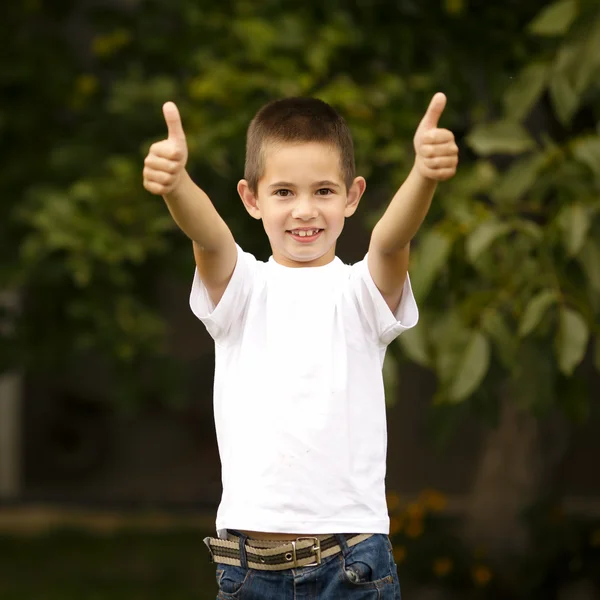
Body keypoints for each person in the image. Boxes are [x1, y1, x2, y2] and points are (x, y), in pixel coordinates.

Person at [143, 94, 458, 599]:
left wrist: (422, 173)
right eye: (284, 191)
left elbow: (390, 243)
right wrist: (177, 184)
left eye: (324, 191)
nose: (305, 210)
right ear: (252, 198)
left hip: (352, 562)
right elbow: (210, 238)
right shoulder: (242, 289)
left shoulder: (362, 294)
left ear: (352, 197)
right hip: (249, 569)